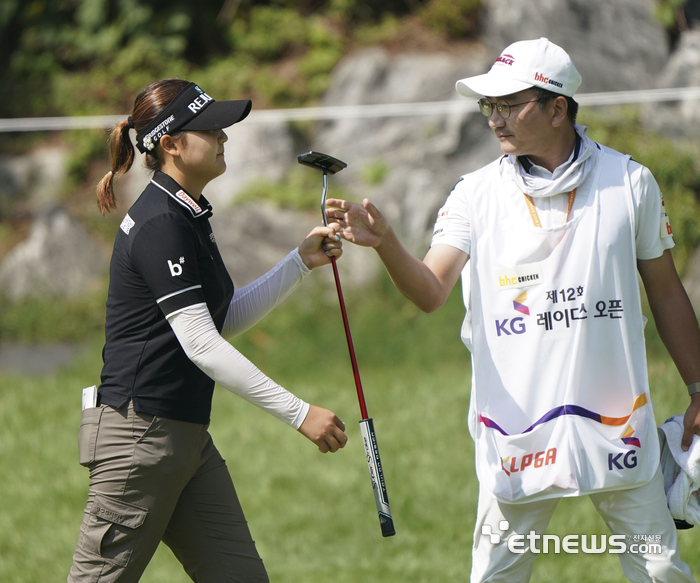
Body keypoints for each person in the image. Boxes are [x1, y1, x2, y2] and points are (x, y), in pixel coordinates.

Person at [326, 38, 700, 582]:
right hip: (516, 434)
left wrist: (697, 388)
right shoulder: (473, 193)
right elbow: (431, 289)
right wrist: (386, 244)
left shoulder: (630, 181)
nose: (495, 119)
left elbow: (666, 292)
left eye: (509, 104)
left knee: (663, 571)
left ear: (557, 107)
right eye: (489, 106)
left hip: (621, 429)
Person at [68, 78, 348, 582]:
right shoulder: (160, 222)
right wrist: (299, 412)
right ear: (171, 144)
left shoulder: (186, 213)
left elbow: (219, 320)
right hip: (140, 442)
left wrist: (299, 263)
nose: (224, 136)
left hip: (184, 440)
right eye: (210, 127)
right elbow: (202, 345)